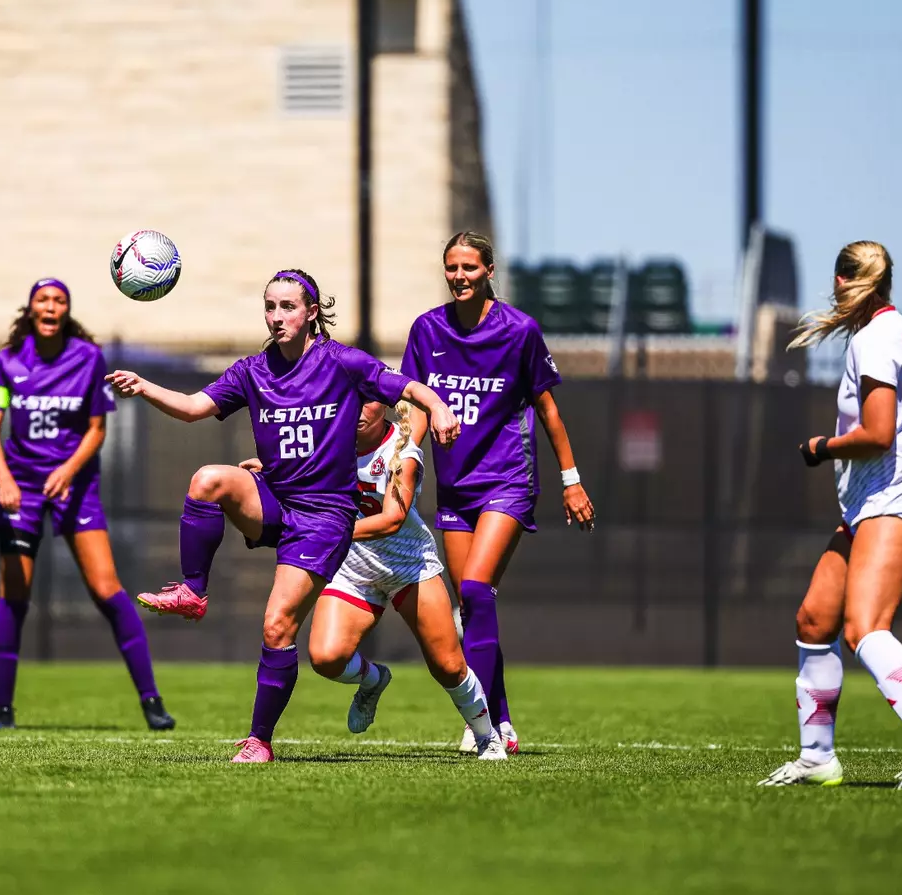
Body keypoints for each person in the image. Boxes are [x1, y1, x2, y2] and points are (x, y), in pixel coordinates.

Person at [106, 269, 459, 763]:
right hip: (276, 499)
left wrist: (439, 408)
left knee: (277, 627)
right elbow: (191, 408)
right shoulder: (253, 370)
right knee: (208, 478)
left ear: (312, 311)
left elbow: (410, 390)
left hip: (324, 518)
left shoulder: (342, 362)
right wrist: (144, 387)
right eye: (270, 307)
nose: (277, 317)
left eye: (288, 307)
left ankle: (259, 741)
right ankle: (193, 591)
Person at [761, 240, 902, 790]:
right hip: (880, 503)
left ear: (845, 281)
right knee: (815, 618)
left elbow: (877, 435)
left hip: (890, 502)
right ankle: (817, 758)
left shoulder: (875, 341)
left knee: (864, 628)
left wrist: (822, 447)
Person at [401, 232, 595, 754]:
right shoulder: (427, 329)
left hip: (507, 480)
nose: (459, 276)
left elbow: (548, 409)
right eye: (451, 268)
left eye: (469, 267)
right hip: (455, 487)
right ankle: (502, 721)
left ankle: (478, 722)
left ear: (489, 270)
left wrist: (571, 481)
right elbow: (416, 405)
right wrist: (406, 460)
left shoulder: (519, 331)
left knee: (475, 589)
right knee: (472, 608)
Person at [0, 277, 173, 731]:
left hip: (75, 485)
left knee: (108, 591)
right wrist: (5, 480)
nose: (51, 307)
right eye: (43, 300)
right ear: (31, 309)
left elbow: (97, 430)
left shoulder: (87, 359)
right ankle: (1, 711)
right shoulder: (7, 362)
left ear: (67, 310)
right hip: (22, 488)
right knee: (14, 597)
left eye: (59, 300)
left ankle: (152, 702)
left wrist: (67, 471)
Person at [288, 399, 506, 760]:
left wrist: (332, 533)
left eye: (366, 402)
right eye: (350, 399)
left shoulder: (402, 452)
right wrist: (265, 472)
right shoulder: (327, 441)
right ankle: (373, 680)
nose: (356, 409)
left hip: (408, 566)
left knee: (448, 666)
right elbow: (297, 471)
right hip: (354, 567)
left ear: (384, 408)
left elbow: (391, 519)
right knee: (325, 658)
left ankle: (488, 737)